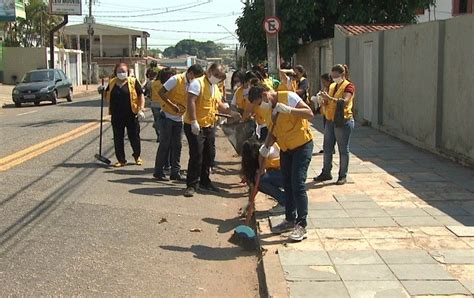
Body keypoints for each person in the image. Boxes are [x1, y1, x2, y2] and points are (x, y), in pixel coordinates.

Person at [248, 82, 314, 242]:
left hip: (302, 146)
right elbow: (274, 132)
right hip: (286, 149)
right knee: (288, 182)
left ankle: (302, 224)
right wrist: (266, 146)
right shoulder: (269, 110)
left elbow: (309, 113)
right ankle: (290, 219)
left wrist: (290, 110)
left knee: (297, 183)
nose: (260, 107)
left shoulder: (288, 97)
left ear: (264, 95)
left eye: (259, 103)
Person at [183, 63, 229, 197]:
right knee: (196, 154)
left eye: (219, 77)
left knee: (208, 155)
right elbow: (191, 101)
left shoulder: (215, 87)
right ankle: (192, 184)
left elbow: (218, 103)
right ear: (209, 71)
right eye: (216, 75)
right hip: (195, 125)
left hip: (209, 124)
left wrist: (228, 110)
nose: (217, 78)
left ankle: (205, 181)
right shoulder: (197, 83)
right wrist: (193, 121)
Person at [314, 64, 355, 185]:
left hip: (343, 121)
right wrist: (323, 100)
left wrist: (330, 98)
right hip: (330, 120)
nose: (334, 78)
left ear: (342, 75)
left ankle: (342, 175)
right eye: (333, 76)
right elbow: (328, 101)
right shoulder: (332, 86)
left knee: (343, 150)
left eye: (336, 76)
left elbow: (345, 101)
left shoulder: (349, 86)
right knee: (327, 148)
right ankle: (326, 172)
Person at [153, 67, 194, 181]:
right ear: (190, 73)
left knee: (177, 146)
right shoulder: (176, 79)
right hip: (167, 117)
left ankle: (175, 172)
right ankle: (158, 171)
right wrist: (172, 105)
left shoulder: (192, 84)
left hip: (179, 119)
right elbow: (161, 92)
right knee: (165, 144)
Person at [104, 63, 145, 167]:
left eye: (123, 71)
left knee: (134, 137)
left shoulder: (133, 81)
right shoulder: (112, 82)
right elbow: (106, 94)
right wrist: (101, 91)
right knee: (118, 138)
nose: (121, 73)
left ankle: (137, 156)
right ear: (115, 72)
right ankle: (121, 160)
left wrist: (140, 109)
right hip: (116, 115)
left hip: (131, 114)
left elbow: (140, 95)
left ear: (127, 72)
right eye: (119, 71)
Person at [241, 139, 286, 206]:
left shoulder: (265, 154)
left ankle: (285, 201)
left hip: (289, 176)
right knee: (259, 179)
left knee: (259, 181)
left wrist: (250, 202)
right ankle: (287, 198)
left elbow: (257, 182)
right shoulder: (264, 149)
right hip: (286, 175)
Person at [232, 71, 269, 141]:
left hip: (265, 124)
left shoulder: (255, 91)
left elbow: (248, 109)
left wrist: (242, 121)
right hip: (263, 122)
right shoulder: (262, 88)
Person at [311, 73, 333, 153]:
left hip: (330, 113)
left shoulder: (331, 88)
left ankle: (329, 148)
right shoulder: (326, 88)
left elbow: (329, 101)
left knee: (328, 132)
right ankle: (328, 148)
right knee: (326, 131)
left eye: (324, 82)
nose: (323, 84)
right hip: (325, 112)